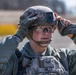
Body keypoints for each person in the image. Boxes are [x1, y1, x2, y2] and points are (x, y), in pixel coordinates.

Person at [0, 5, 76, 75]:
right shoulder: (14, 61)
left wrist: (73, 33)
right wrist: (18, 36)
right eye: (40, 28)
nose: (46, 33)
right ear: (28, 30)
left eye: (49, 28)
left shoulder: (65, 58)